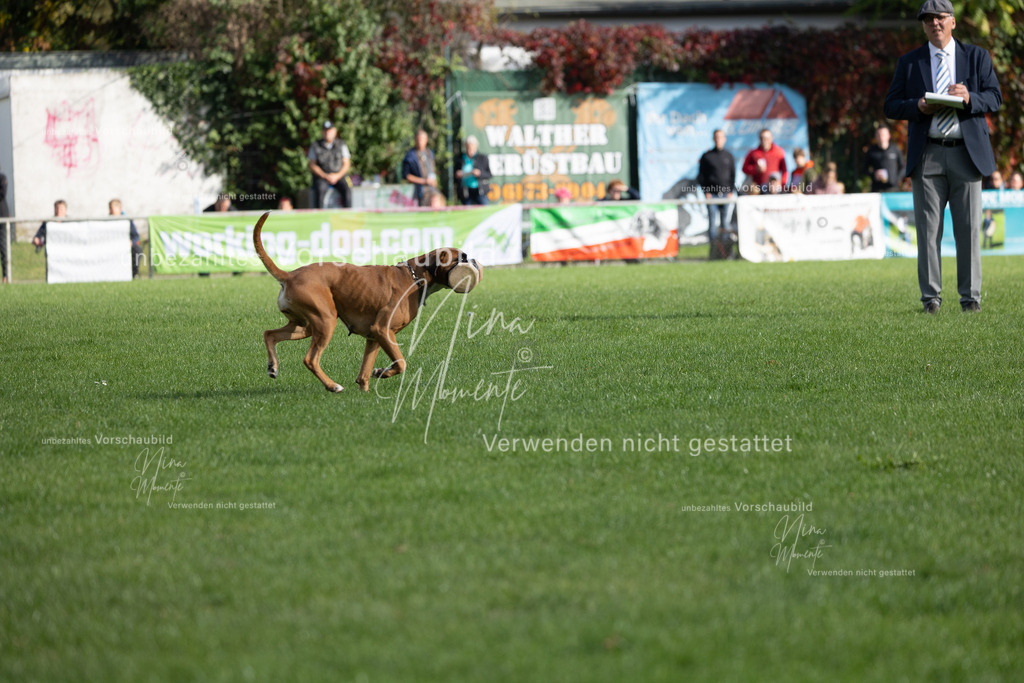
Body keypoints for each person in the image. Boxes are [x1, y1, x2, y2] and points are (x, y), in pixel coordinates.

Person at [883, 0, 1002, 314]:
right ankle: (931, 299)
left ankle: (970, 298)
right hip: (928, 154)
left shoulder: (976, 57)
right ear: (923, 25)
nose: (933, 23)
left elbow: (994, 97)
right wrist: (919, 106)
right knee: (927, 230)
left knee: (969, 230)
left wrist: (969, 97)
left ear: (952, 21)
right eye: (927, 19)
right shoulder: (910, 62)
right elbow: (891, 106)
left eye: (939, 18)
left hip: (967, 154)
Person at [696, 129, 736, 246]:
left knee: (725, 223)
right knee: (712, 223)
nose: (718, 140)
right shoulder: (707, 156)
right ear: (713, 139)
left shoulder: (728, 156)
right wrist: (706, 191)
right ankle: (714, 249)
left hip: (725, 194)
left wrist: (730, 190)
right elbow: (701, 176)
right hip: (712, 195)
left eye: (721, 137)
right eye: (716, 137)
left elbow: (732, 175)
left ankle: (725, 250)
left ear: (724, 139)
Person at [308, 121, 352, 209]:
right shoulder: (315, 145)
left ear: (334, 131)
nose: (327, 132)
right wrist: (325, 176)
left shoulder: (341, 144)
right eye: (325, 130)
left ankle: (348, 216)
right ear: (322, 132)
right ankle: (318, 217)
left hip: (339, 175)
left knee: (347, 189)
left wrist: (337, 176)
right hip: (322, 177)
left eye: (329, 130)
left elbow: (346, 163)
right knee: (319, 190)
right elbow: (312, 164)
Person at [402, 129, 445, 208]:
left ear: (426, 140)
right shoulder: (410, 156)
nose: (420, 142)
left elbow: (432, 170)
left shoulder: (429, 153)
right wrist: (424, 181)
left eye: (422, 139)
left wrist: (434, 181)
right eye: (418, 139)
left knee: (439, 201)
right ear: (415, 140)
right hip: (419, 192)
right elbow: (406, 176)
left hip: (432, 189)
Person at [863, 124, 906, 192]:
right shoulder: (871, 151)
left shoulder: (895, 149)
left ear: (888, 136)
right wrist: (874, 174)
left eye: (883, 135)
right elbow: (864, 169)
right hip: (877, 189)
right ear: (876, 136)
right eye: (879, 135)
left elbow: (903, 167)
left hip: (893, 189)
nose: (881, 137)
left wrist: (896, 179)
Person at [109, 199, 142, 279]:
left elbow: (136, 237)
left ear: (119, 209)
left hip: (126, 246)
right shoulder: (107, 221)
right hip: (112, 246)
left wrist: (132, 243)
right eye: (110, 209)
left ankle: (134, 274)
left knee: (137, 250)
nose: (110, 211)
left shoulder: (127, 220)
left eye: (112, 209)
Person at [455, 135, 492, 206]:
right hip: (466, 192)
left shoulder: (482, 158)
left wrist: (479, 173)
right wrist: (458, 175)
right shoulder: (460, 158)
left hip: (480, 191)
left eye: (472, 148)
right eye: (468, 148)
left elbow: (489, 174)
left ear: (476, 147)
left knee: (483, 210)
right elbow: (455, 175)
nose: (470, 150)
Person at [0, 166, 9, 283]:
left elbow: (2, 195)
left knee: (3, 249)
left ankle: (6, 276)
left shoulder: (2, 178)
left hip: (1, 218)